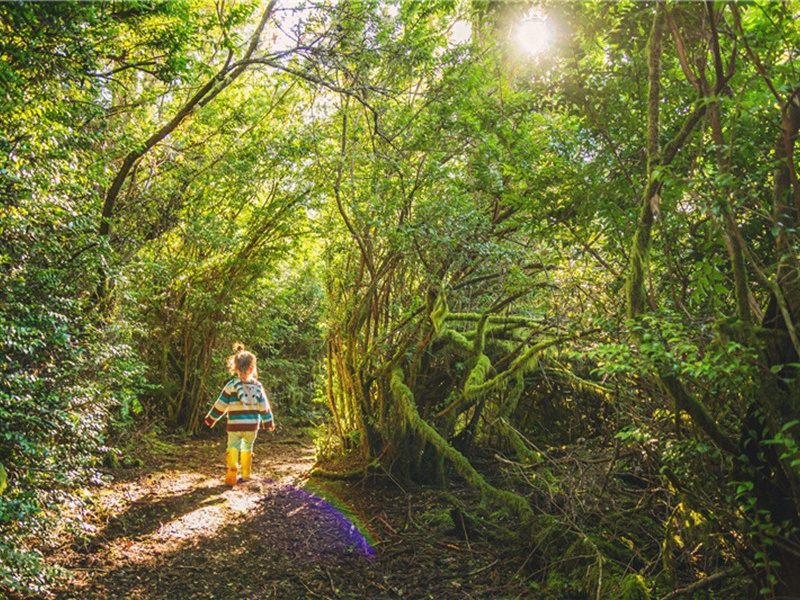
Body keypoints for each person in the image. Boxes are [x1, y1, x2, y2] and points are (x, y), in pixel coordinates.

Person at [205, 343, 275, 486]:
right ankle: (246, 474)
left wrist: (211, 418)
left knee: (233, 446)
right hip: (251, 426)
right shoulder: (258, 386)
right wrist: (268, 422)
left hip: (234, 425)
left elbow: (221, 404)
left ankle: (232, 467)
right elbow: (264, 406)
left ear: (235, 368)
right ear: (251, 368)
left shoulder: (231, 385)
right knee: (247, 447)